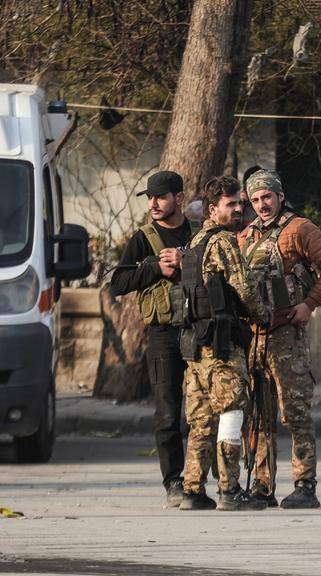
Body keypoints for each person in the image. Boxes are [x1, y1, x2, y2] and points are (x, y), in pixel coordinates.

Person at [241, 169, 321, 509]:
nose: (262, 205)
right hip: (256, 338)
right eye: (255, 200)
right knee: (259, 414)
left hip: (287, 336)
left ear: (280, 196)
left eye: (267, 197)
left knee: (295, 413)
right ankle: (262, 485)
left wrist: (309, 304)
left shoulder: (299, 229)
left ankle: (305, 484)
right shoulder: (247, 235)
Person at [177, 176, 271, 511]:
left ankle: (192, 489)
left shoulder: (195, 242)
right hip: (220, 346)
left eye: (240, 203)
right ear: (212, 208)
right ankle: (230, 491)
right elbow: (243, 287)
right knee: (231, 412)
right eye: (231, 204)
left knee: (201, 421)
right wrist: (265, 314)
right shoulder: (222, 242)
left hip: (195, 348)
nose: (238, 209)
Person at [110, 170, 195, 507]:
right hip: (162, 334)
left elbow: (222, 273)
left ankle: (208, 478)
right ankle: (173, 482)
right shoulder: (143, 238)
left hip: (199, 330)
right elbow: (118, 283)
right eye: (150, 197)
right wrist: (156, 269)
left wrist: (186, 261)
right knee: (167, 411)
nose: (154, 204)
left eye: (160, 196)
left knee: (206, 409)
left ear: (179, 198)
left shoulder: (198, 234)